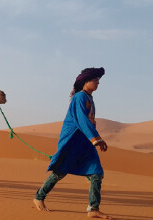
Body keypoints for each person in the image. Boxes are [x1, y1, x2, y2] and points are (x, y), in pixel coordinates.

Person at [33, 67, 111, 219]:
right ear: (85, 82)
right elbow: (82, 120)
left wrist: (98, 138)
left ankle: (93, 209)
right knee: (60, 171)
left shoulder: (90, 99)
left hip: (86, 143)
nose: (97, 83)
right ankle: (39, 197)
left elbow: (90, 122)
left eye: (98, 80)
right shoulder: (80, 97)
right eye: (95, 80)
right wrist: (96, 139)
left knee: (97, 173)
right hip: (73, 140)